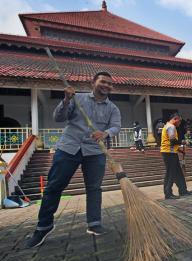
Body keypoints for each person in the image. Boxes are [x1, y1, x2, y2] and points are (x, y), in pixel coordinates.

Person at [26, 72, 121, 248]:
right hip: (69, 148)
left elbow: (116, 126)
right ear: (93, 82)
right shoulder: (78, 99)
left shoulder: (113, 108)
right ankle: (43, 227)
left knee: (94, 188)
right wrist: (66, 100)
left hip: (94, 151)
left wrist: (105, 133)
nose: (106, 85)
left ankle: (94, 223)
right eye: (103, 81)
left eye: (109, 83)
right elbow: (58, 118)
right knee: (54, 186)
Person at [160, 113, 192, 199]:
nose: (180, 123)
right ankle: (168, 193)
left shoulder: (168, 126)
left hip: (170, 152)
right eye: (180, 121)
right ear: (175, 119)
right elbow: (172, 141)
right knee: (170, 173)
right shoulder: (171, 127)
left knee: (178, 172)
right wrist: (183, 142)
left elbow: (170, 143)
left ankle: (183, 190)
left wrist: (179, 150)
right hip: (168, 153)